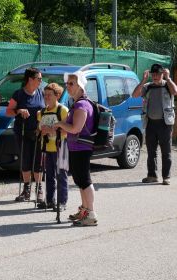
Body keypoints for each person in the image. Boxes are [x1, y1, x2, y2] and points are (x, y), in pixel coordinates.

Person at [54, 71, 98, 226]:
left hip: (82, 147)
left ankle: (91, 213)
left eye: (71, 83)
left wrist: (60, 124)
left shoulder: (81, 105)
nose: (68, 86)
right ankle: (85, 210)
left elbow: (75, 128)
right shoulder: (77, 104)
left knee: (84, 180)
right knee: (80, 180)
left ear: (80, 86)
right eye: (67, 83)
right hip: (76, 147)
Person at [132, 63, 177, 185]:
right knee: (151, 151)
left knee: (166, 151)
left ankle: (166, 177)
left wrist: (168, 78)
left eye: (158, 74)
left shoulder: (168, 85)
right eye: (153, 74)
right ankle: (152, 175)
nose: (155, 76)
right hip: (150, 123)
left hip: (165, 123)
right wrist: (143, 80)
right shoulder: (148, 87)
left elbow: (176, 91)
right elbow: (135, 95)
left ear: (162, 74)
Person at [6, 67, 45, 202]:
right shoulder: (18, 94)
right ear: (30, 79)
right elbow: (9, 111)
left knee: (38, 161)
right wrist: (19, 110)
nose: (41, 81)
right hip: (22, 131)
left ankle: (39, 189)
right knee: (26, 160)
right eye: (39, 78)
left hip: (38, 132)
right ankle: (26, 189)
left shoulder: (41, 93)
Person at [37, 83, 69, 211]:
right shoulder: (42, 112)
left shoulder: (63, 110)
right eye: (45, 95)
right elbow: (39, 129)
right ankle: (50, 200)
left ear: (57, 95)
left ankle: (62, 202)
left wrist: (51, 130)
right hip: (46, 147)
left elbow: (68, 131)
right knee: (49, 175)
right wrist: (40, 131)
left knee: (61, 175)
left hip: (61, 148)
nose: (46, 97)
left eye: (50, 95)